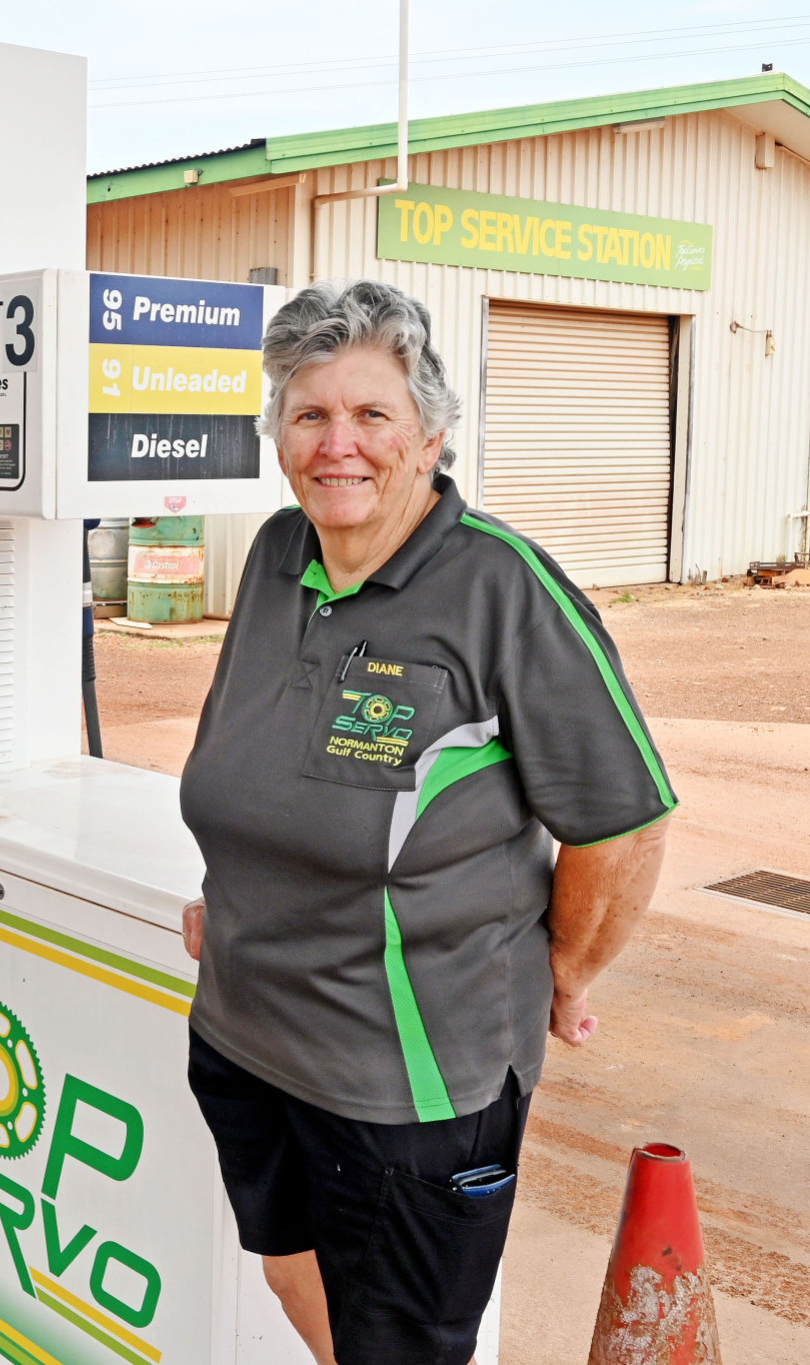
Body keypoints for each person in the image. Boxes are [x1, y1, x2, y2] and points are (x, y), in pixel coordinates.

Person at [178, 279, 673, 1365]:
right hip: (246, 1035)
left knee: (404, 1340)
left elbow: (620, 823)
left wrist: (560, 972)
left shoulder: (500, 588)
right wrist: (235, 898)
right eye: (308, 414)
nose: (336, 445)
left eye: (371, 415)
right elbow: (251, 773)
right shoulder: (274, 558)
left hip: (402, 1085)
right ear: (276, 437)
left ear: (431, 433)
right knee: (286, 1263)